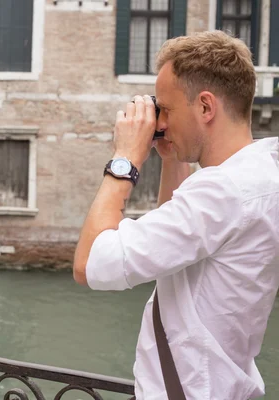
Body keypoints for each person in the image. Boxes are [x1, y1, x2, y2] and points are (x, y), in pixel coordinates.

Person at [72, 30, 279, 399]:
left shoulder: (222, 192)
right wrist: (171, 160)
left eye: (165, 108)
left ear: (205, 107)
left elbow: (89, 264)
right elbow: (175, 252)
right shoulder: (261, 173)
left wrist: (125, 160)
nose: (160, 122)